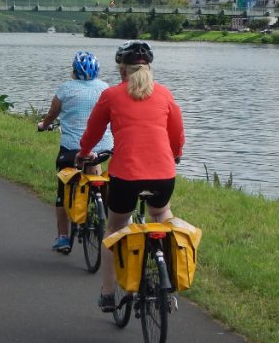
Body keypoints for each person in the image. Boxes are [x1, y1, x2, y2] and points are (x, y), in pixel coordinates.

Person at [76, 41, 185, 312]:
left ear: (122, 69)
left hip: (126, 175)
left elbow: (93, 130)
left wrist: (84, 153)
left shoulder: (112, 96)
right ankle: (168, 280)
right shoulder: (164, 93)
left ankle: (109, 292)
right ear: (148, 68)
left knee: (114, 230)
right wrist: (176, 154)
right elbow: (177, 131)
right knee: (161, 217)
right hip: (163, 175)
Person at [36, 51, 114, 254]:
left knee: (63, 190)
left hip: (72, 149)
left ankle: (63, 237)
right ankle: (100, 207)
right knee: (95, 171)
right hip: (101, 148)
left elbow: (52, 115)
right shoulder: (106, 89)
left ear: (73, 70)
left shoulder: (65, 89)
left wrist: (44, 125)